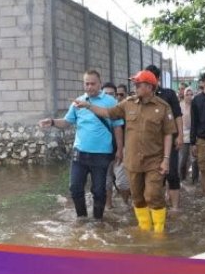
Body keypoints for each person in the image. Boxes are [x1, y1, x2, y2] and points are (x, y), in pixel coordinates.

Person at [73, 70, 176, 233]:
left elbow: (169, 133)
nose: (134, 86)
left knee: (153, 195)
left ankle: (159, 233)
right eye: (134, 83)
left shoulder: (162, 107)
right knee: (137, 197)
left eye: (138, 84)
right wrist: (88, 106)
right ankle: (144, 228)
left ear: (149, 86)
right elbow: (107, 113)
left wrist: (166, 159)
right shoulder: (128, 104)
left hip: (154, 160)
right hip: (133, 160)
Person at [39, 70, 124, 220]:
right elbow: (66, 122)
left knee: (99, 190)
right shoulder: (77, 102)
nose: (89, 87)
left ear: (100, 84)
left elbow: (117, 126)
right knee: (75, 188)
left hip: (102, 154)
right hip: (80, 153)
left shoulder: (110, 102)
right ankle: (82, 218)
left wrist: (120, 149)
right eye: (87, 84)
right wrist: (52, 122)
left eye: (93, 83)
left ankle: (98, 220)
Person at [145, 64, 184, 210]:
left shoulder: (169, 94)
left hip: (170, 139)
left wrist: (180, 135)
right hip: (151, 143)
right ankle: (158, 205)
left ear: (157, 79)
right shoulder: (141, 95)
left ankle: (175, 208)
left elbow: (178, 115)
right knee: (154, 176)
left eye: (150, 78)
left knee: (172, 173)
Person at [102, 82, 131, 208]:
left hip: (121, 151)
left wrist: (123, 149)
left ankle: (126, 202)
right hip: (103, 152)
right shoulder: (97, 110)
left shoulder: (123, 111)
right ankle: (109, 207)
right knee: (106, 181)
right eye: (106, 94)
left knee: (122, 183)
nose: (109, 96)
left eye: (111, 94)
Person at [179, 86, 194, 181]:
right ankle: (181, 179)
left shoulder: (195, 106)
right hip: (183, 136)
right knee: (182, 160)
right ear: (184, 95)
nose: (189, 96)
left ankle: (193, 180)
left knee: (193, 160)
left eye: (191, 94)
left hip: (193, 136)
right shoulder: (179, 106)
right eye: (187, 94)